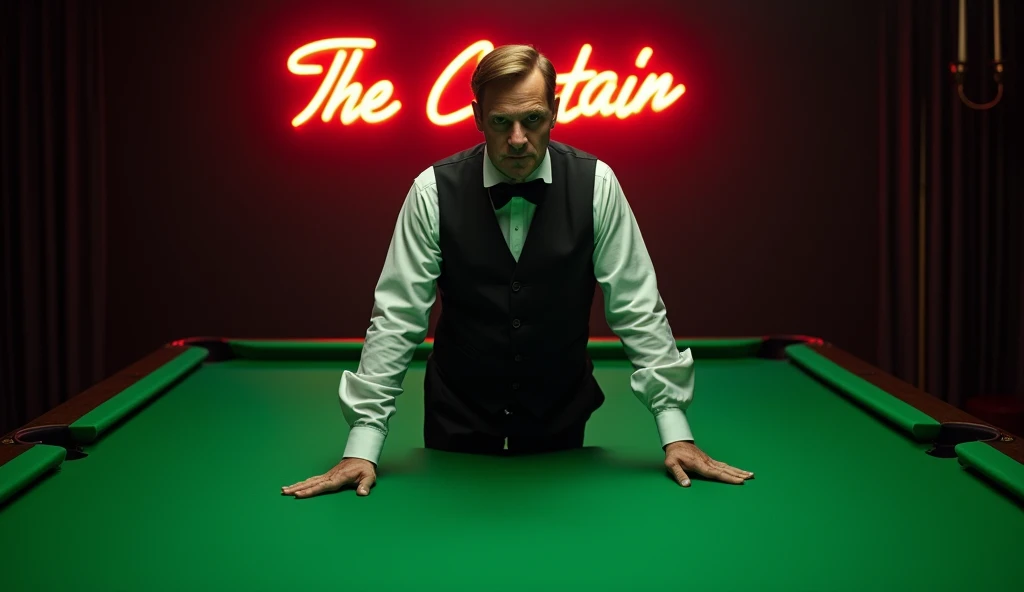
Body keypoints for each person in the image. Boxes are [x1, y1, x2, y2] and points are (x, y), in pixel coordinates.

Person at [282, 44, 753, 499]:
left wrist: (675, 433)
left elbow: (638, 308)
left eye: (533, 119)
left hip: (559, 408)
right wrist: (362, 445)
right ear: (475, 118)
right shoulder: (432, 191)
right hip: (457, 410)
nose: (517, 139)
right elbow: (397, 317)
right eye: (500, 122)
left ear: (555, 111)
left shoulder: (597, 184)